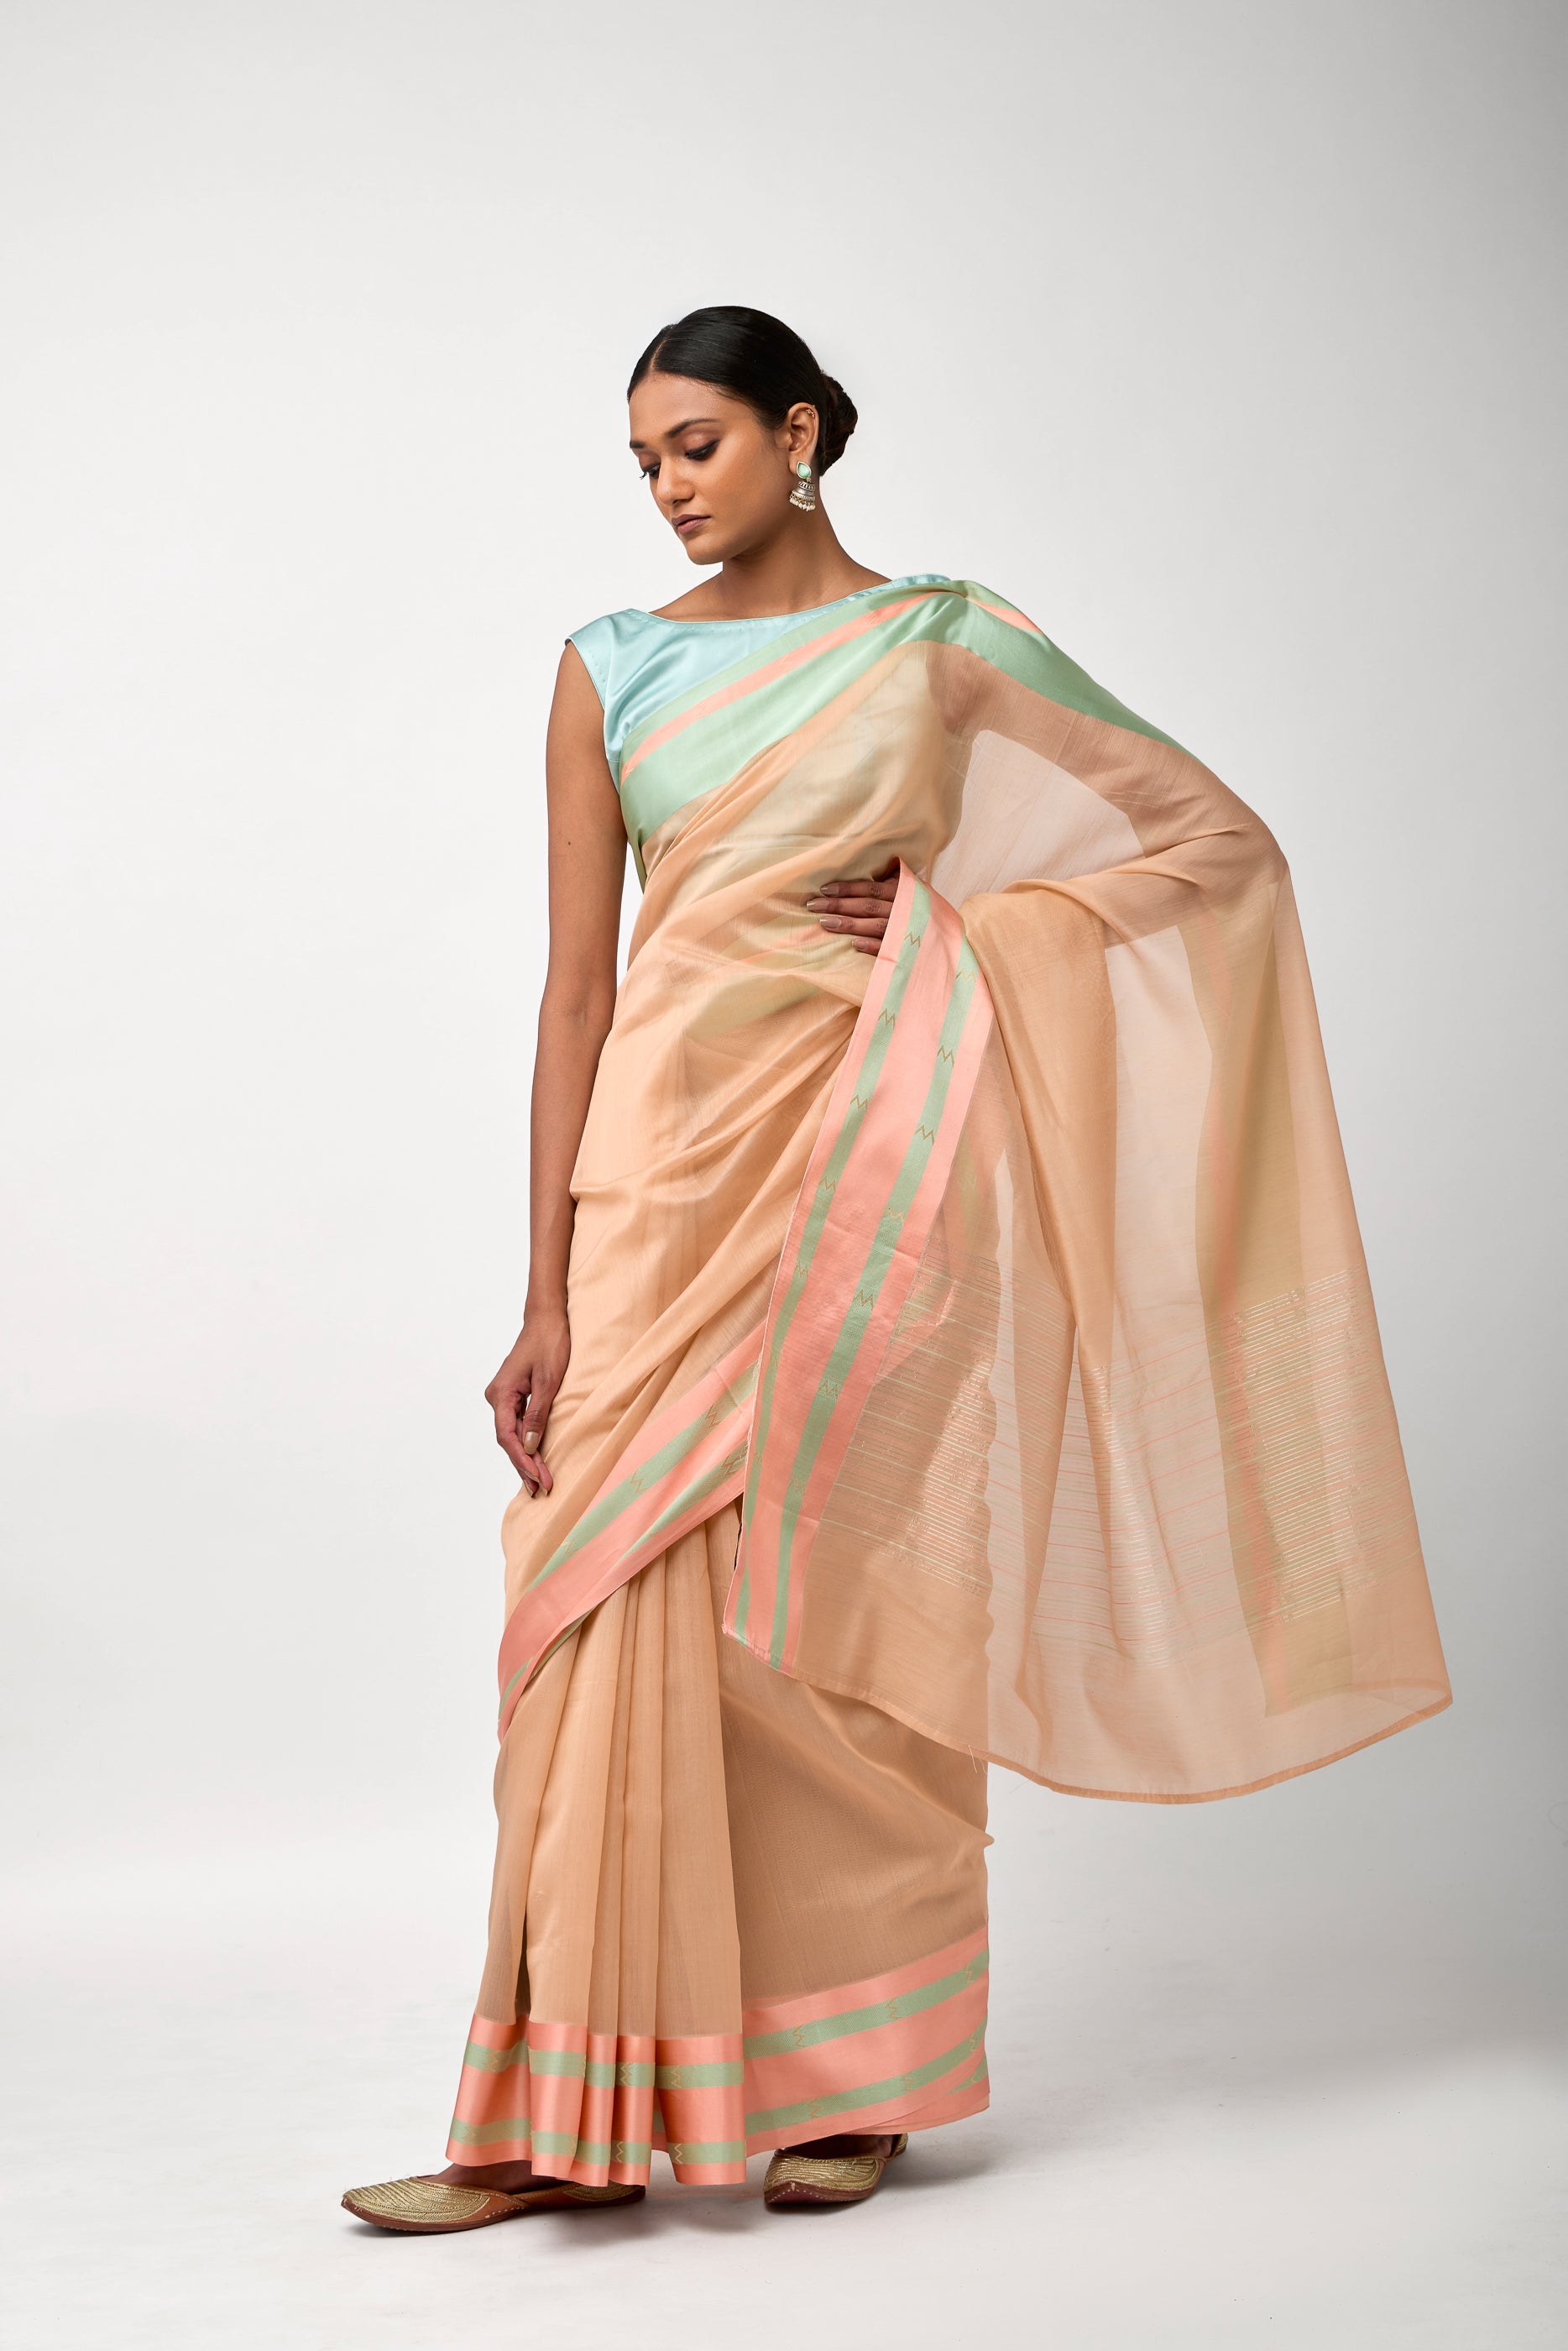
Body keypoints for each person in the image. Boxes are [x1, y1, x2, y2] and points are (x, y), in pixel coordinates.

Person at [342, 306, 1449, 2233]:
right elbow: (578, 987)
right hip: (657, 1183)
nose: (666, 487)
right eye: (641, 459)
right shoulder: (607, 667)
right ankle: (555, 2110)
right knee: (586, 1603)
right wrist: (545, 1288)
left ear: (798, 435)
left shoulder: (941, 639)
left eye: (695, 444)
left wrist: (969, 937)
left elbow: (1211, 842)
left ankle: (856, 2083)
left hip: (880, 1165)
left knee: (854, 1607)